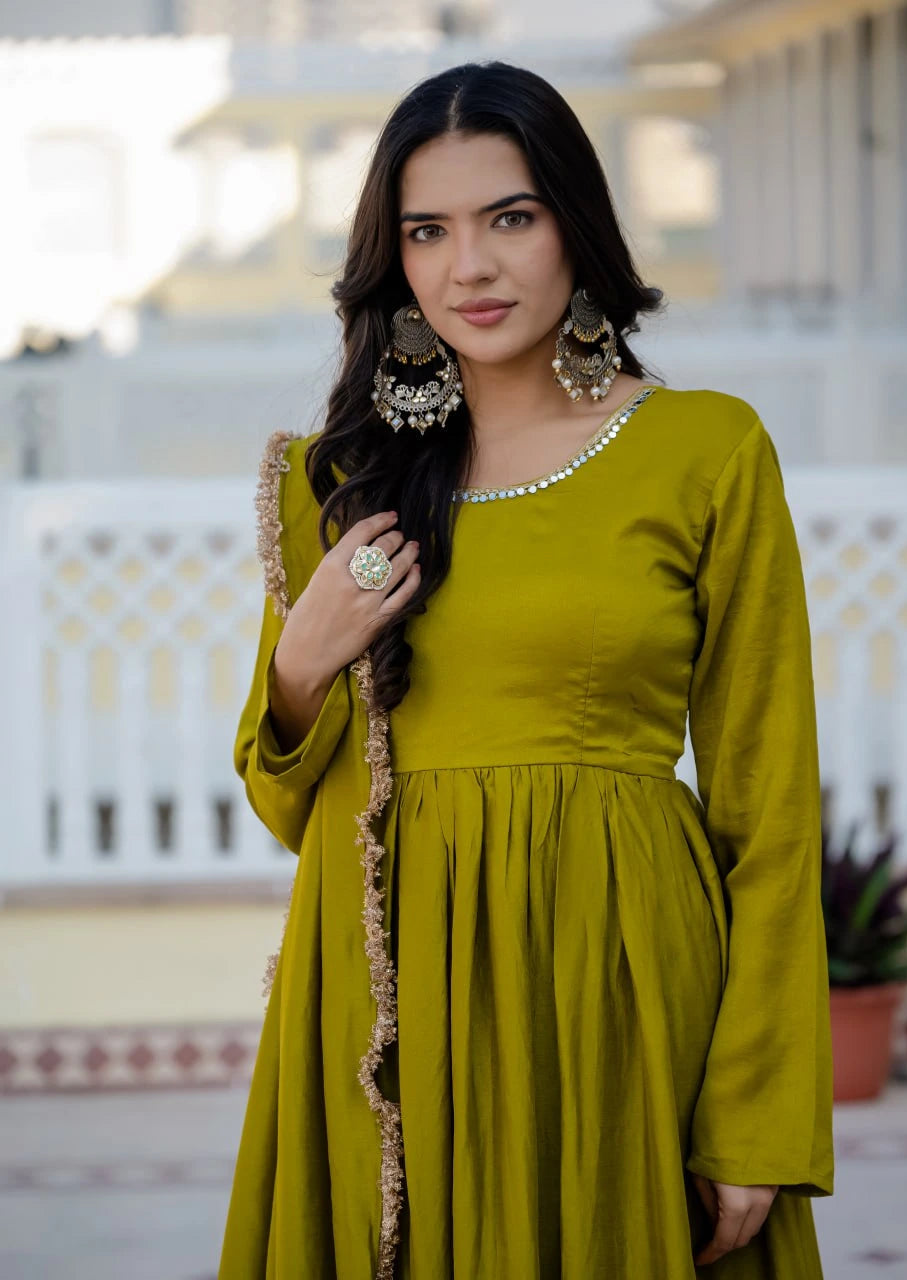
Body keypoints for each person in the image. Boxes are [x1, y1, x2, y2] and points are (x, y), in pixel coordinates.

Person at [218, 60, 834, 1279]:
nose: (470, 267)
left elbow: (770, 810)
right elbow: (294, 800)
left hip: (615, 994)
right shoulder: (333, 481)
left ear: (575, 222)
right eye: (427, 231)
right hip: (388, 1012)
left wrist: (757, 1111)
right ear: (393, 259)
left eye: (510, 217)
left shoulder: (705, 450)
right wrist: (301, 662)